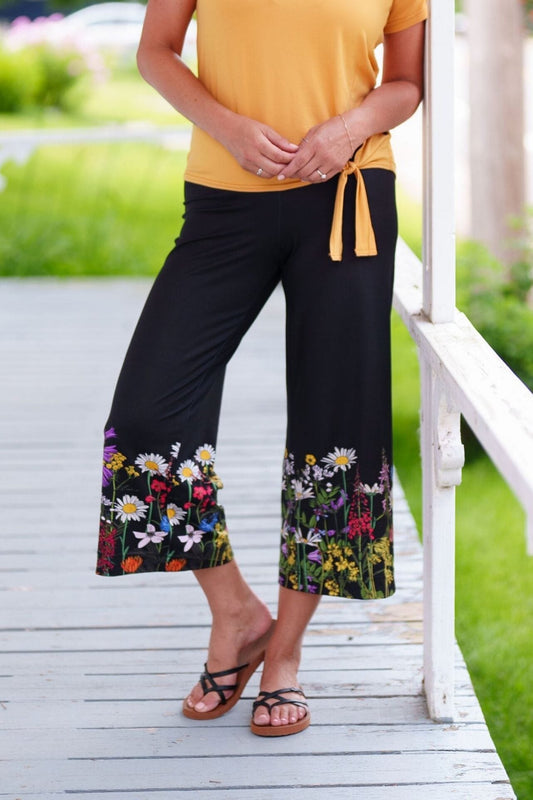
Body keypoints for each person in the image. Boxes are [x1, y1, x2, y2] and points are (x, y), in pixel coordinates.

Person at [96, 0, 427, 737]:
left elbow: (406, 84)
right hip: (223, 200)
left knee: (335, 429)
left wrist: (347, 129)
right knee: (147, 416)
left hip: (347, 194)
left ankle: (284, 656)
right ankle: (237, 614)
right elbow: (156, 49)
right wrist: (228, 127)